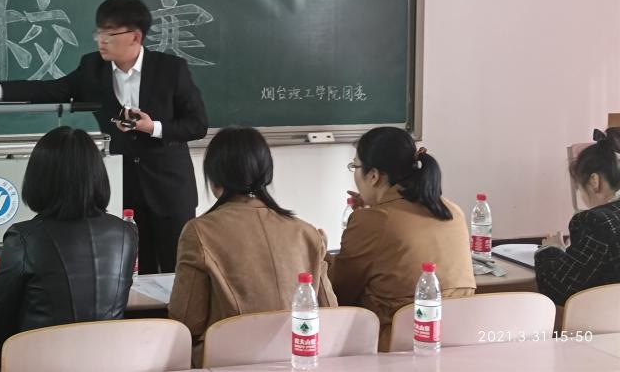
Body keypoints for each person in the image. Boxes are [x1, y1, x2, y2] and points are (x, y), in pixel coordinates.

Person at [0, 0, 207, 274]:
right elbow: (48, 90)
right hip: (123, 188)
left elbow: (197, 125)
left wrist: (152, 127)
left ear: (135, 36)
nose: (101, 41)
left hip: (169, 190)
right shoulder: (92, 68)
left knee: (177, 271)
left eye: (110, 34)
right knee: (132, 272)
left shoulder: (171, 69)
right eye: (99, 33)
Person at [169, 126, 335, 364]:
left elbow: (185, 321)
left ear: (214, 178)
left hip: (228, 362)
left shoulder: (199, 232)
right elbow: (330, 312)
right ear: (266, 173)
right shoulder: (307, 232)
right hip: (297, 360)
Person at [0, 126, 138, 357]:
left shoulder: (24, 238)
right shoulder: (126, 233)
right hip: (110, 361)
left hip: (41, 362)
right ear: (97, 176)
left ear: (38, 179)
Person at [327, 127, 474, 351]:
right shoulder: (452, 210)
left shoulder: (374, 221)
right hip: (457, 345)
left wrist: (318, 251)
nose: (354, 173)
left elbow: (339, 291)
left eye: (355, 166)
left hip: (395, 349)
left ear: (373, 175)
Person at [535, 128, 620, 305]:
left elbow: (556, 290)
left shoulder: (595, 221)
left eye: (580, 187)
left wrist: (551, 249)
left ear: (594, 181)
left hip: (600, 321)